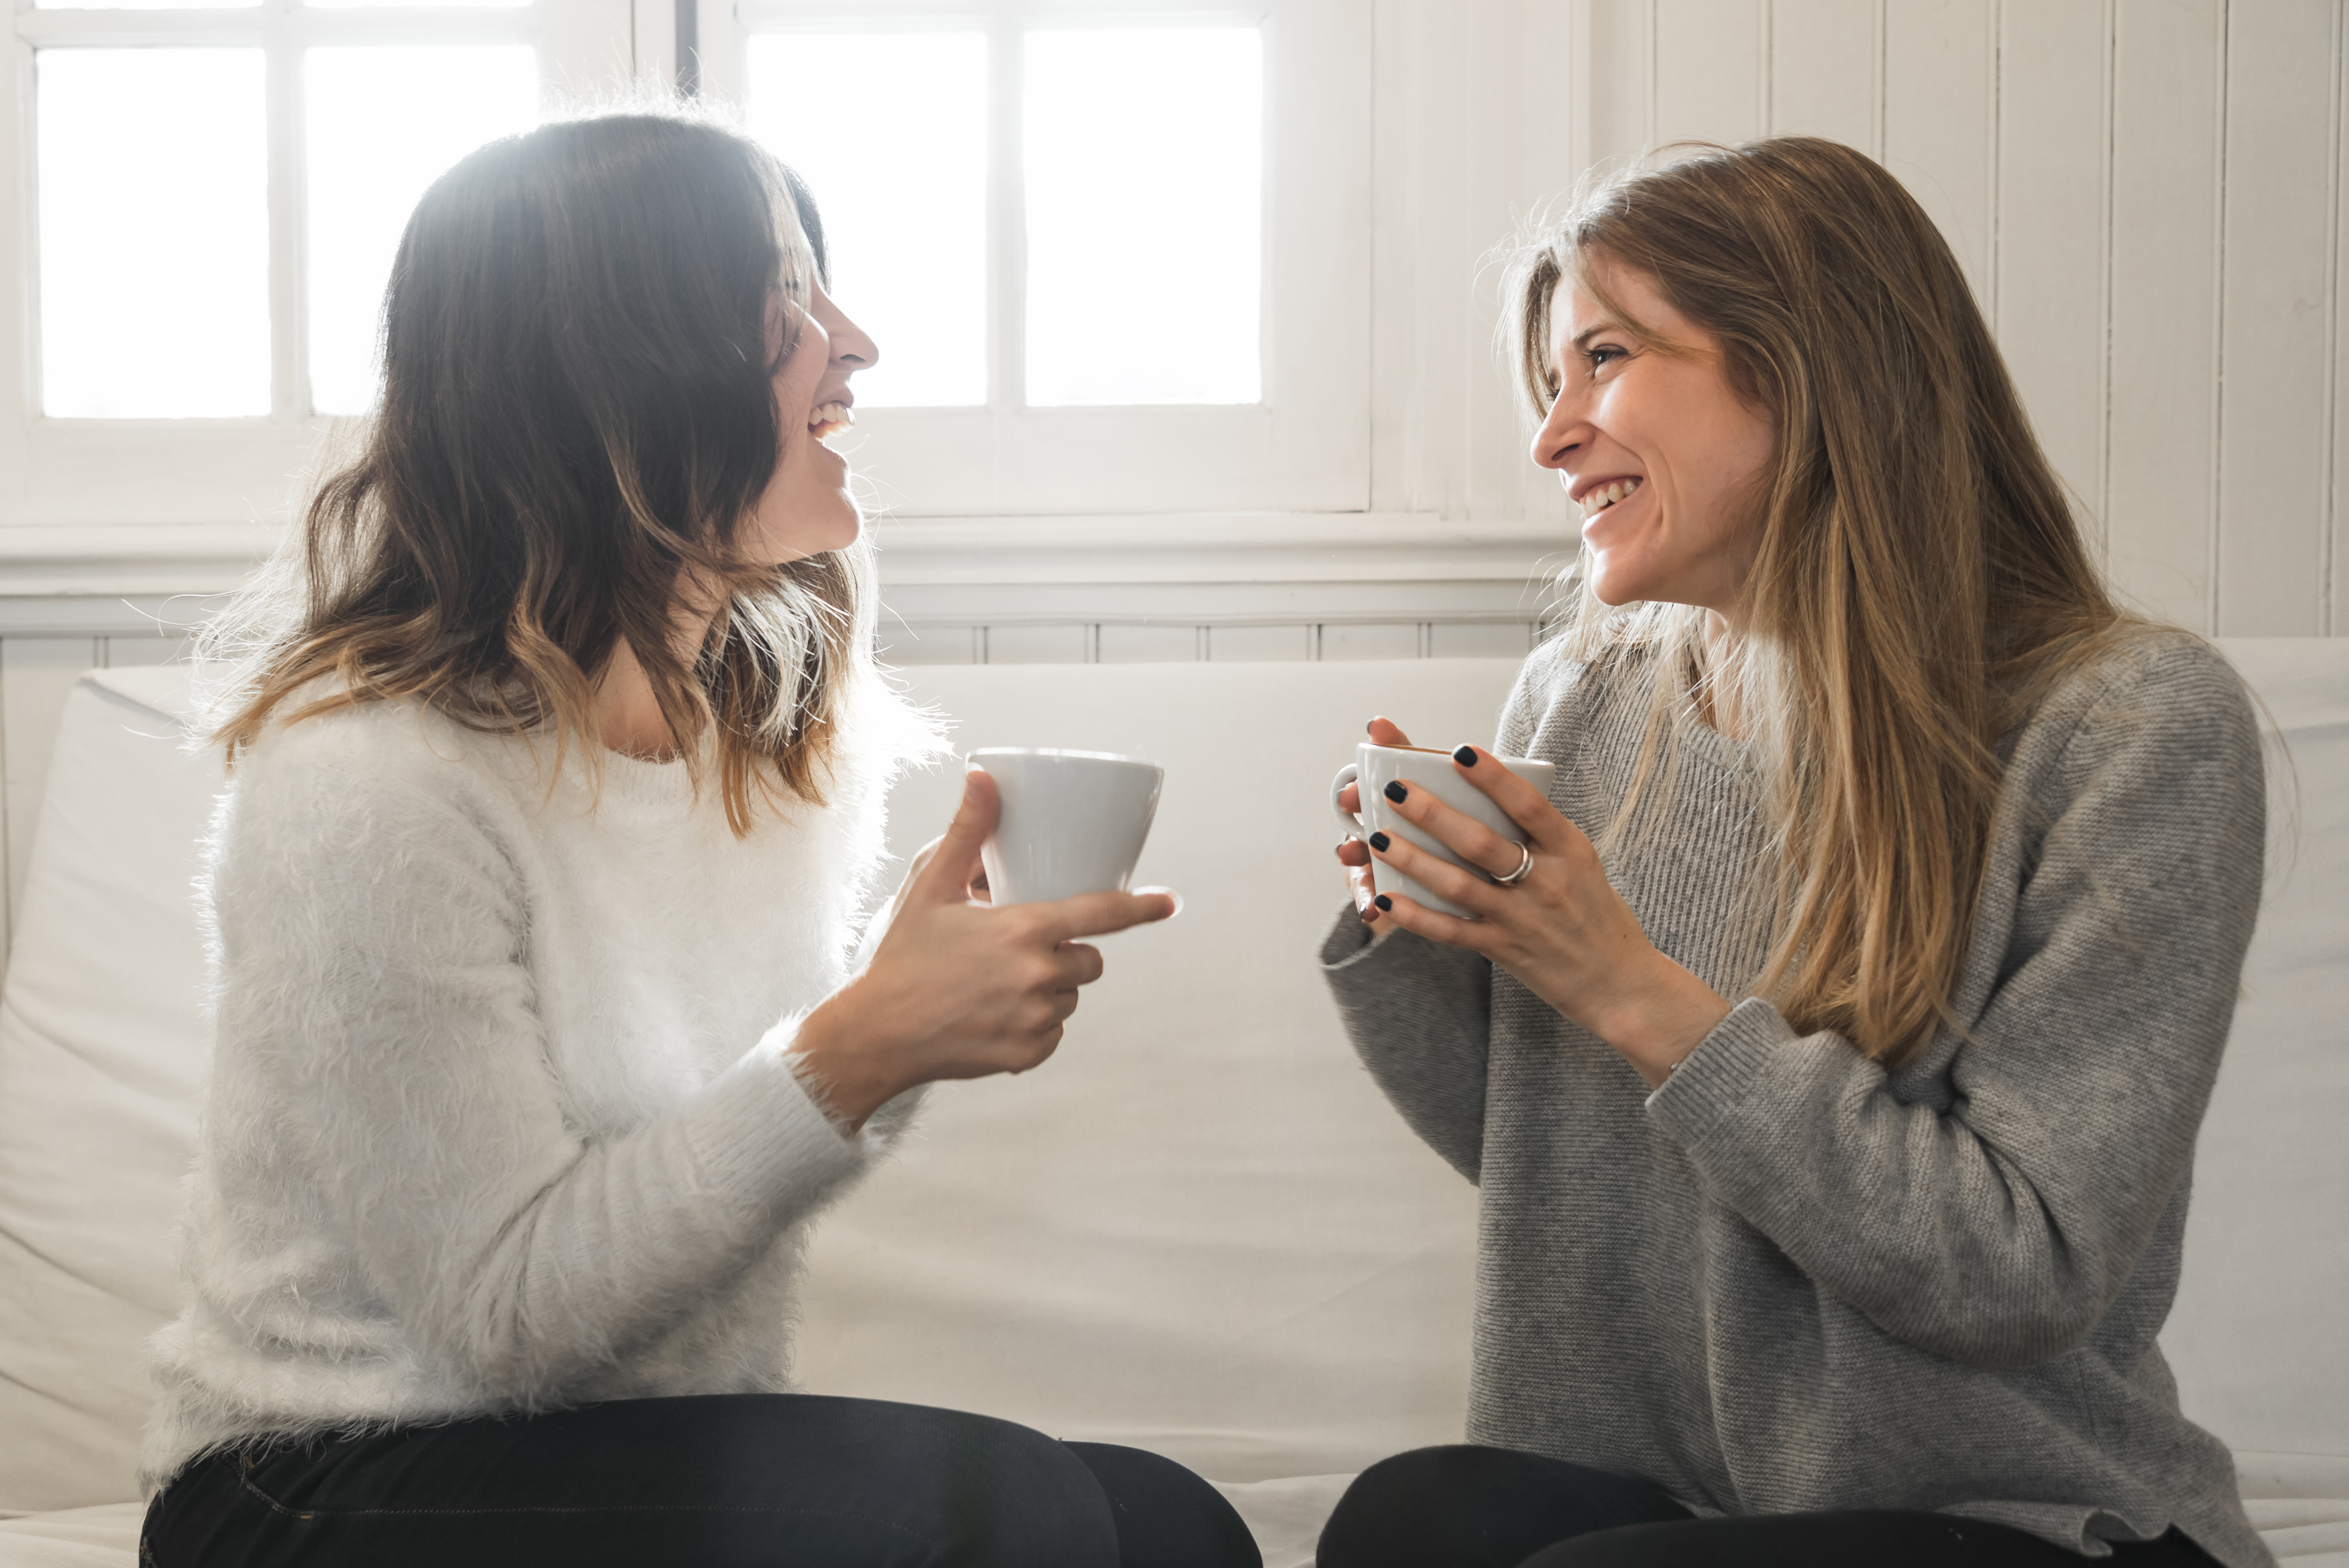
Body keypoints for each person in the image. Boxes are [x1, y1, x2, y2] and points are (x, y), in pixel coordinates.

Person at [136, 110, 1259, 1568]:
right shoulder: (368, 786)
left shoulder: (765, 740)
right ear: (613, 374)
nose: (854, 342)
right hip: (322, 1483)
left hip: (621, 1449)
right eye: (788, 296)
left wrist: (906, 1009)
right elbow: (505, 1316)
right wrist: (862, 1040)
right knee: (1016, 1517)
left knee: (1169, 1526)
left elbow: (740, 1133)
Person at [1318, 137, 2269, 1568]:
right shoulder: (1581, 700)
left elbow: (2019, 1267)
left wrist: (1632, 985)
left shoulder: (2125, 726)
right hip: (1682, 1496)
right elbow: (1559, 1177)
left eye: (1608, 360)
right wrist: (1428, 934)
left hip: (2027, 1515)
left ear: (1807, 369)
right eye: (1553, 382)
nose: (1553, 435)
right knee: (1409, 1522)